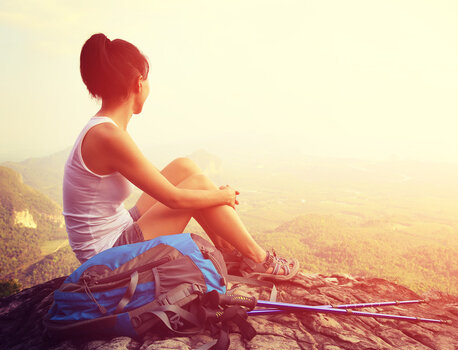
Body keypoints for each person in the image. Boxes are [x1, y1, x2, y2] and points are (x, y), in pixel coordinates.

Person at [62, 33, 299, 280]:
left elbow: (159, 180)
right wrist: (222, 196)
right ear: (138, 83)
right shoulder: (108, 135)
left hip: (119, 226)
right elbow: (173, 199)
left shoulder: (105, 128)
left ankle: (228, 252)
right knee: (197, 185)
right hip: (106, 255)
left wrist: (213, 196)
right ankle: (261, 260)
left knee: (183, 167)